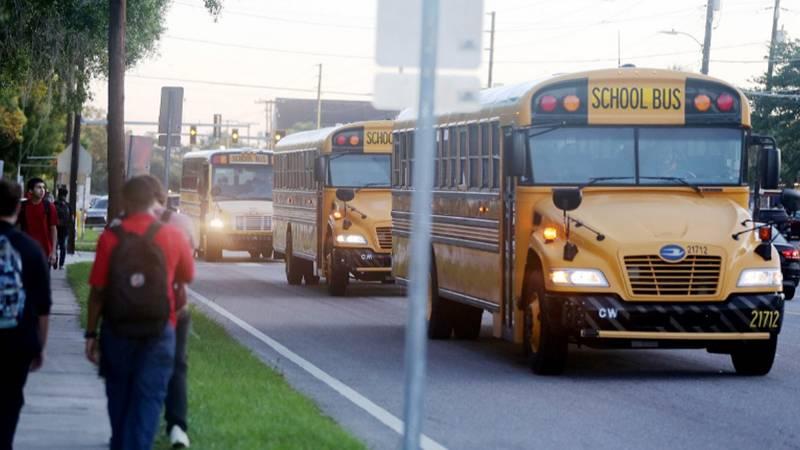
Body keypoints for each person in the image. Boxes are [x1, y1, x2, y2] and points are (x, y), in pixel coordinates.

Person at [85, 176, 194, 450]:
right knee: (148, 398)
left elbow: (98, 291)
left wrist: (90, 333)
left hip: (117, 329)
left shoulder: (110, 237)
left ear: (126, 201)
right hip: (160, 329)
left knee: (119, 394)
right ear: (154, 202)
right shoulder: (173, 235)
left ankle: (120, 442)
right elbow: (186, 276)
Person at [141, 175, 194, 448]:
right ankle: (176, 425)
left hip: (132, 309)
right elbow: (188, 272)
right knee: (177, 365)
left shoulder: (120, 226)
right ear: (162, 197)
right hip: (175, 307)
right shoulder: (181, 224)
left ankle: (137, 425)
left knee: (138, 365)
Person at [0, 180, 51, 450]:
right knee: (8, 403)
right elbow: (43, 307)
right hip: (17, 341)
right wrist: (39, 345)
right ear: (17, 209)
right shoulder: (31, 250)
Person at [18, 178, 57, 269]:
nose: (42, 190)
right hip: (26, 251)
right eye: (39, 187)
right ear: (31, 190)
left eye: (43, 187)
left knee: (42, 282)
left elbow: (53, 229)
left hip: (45, 252)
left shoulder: (49, 207)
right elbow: (17, 227)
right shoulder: (22, 207)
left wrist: (53, 251)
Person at [54, 187, 71, 270]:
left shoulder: (54, 204)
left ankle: (56, 262)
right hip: (64, 229)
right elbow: (70, 218)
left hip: (56, 229)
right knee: (63, 248)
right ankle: (60, 264)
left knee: (56, 247)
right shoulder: (67, 206)